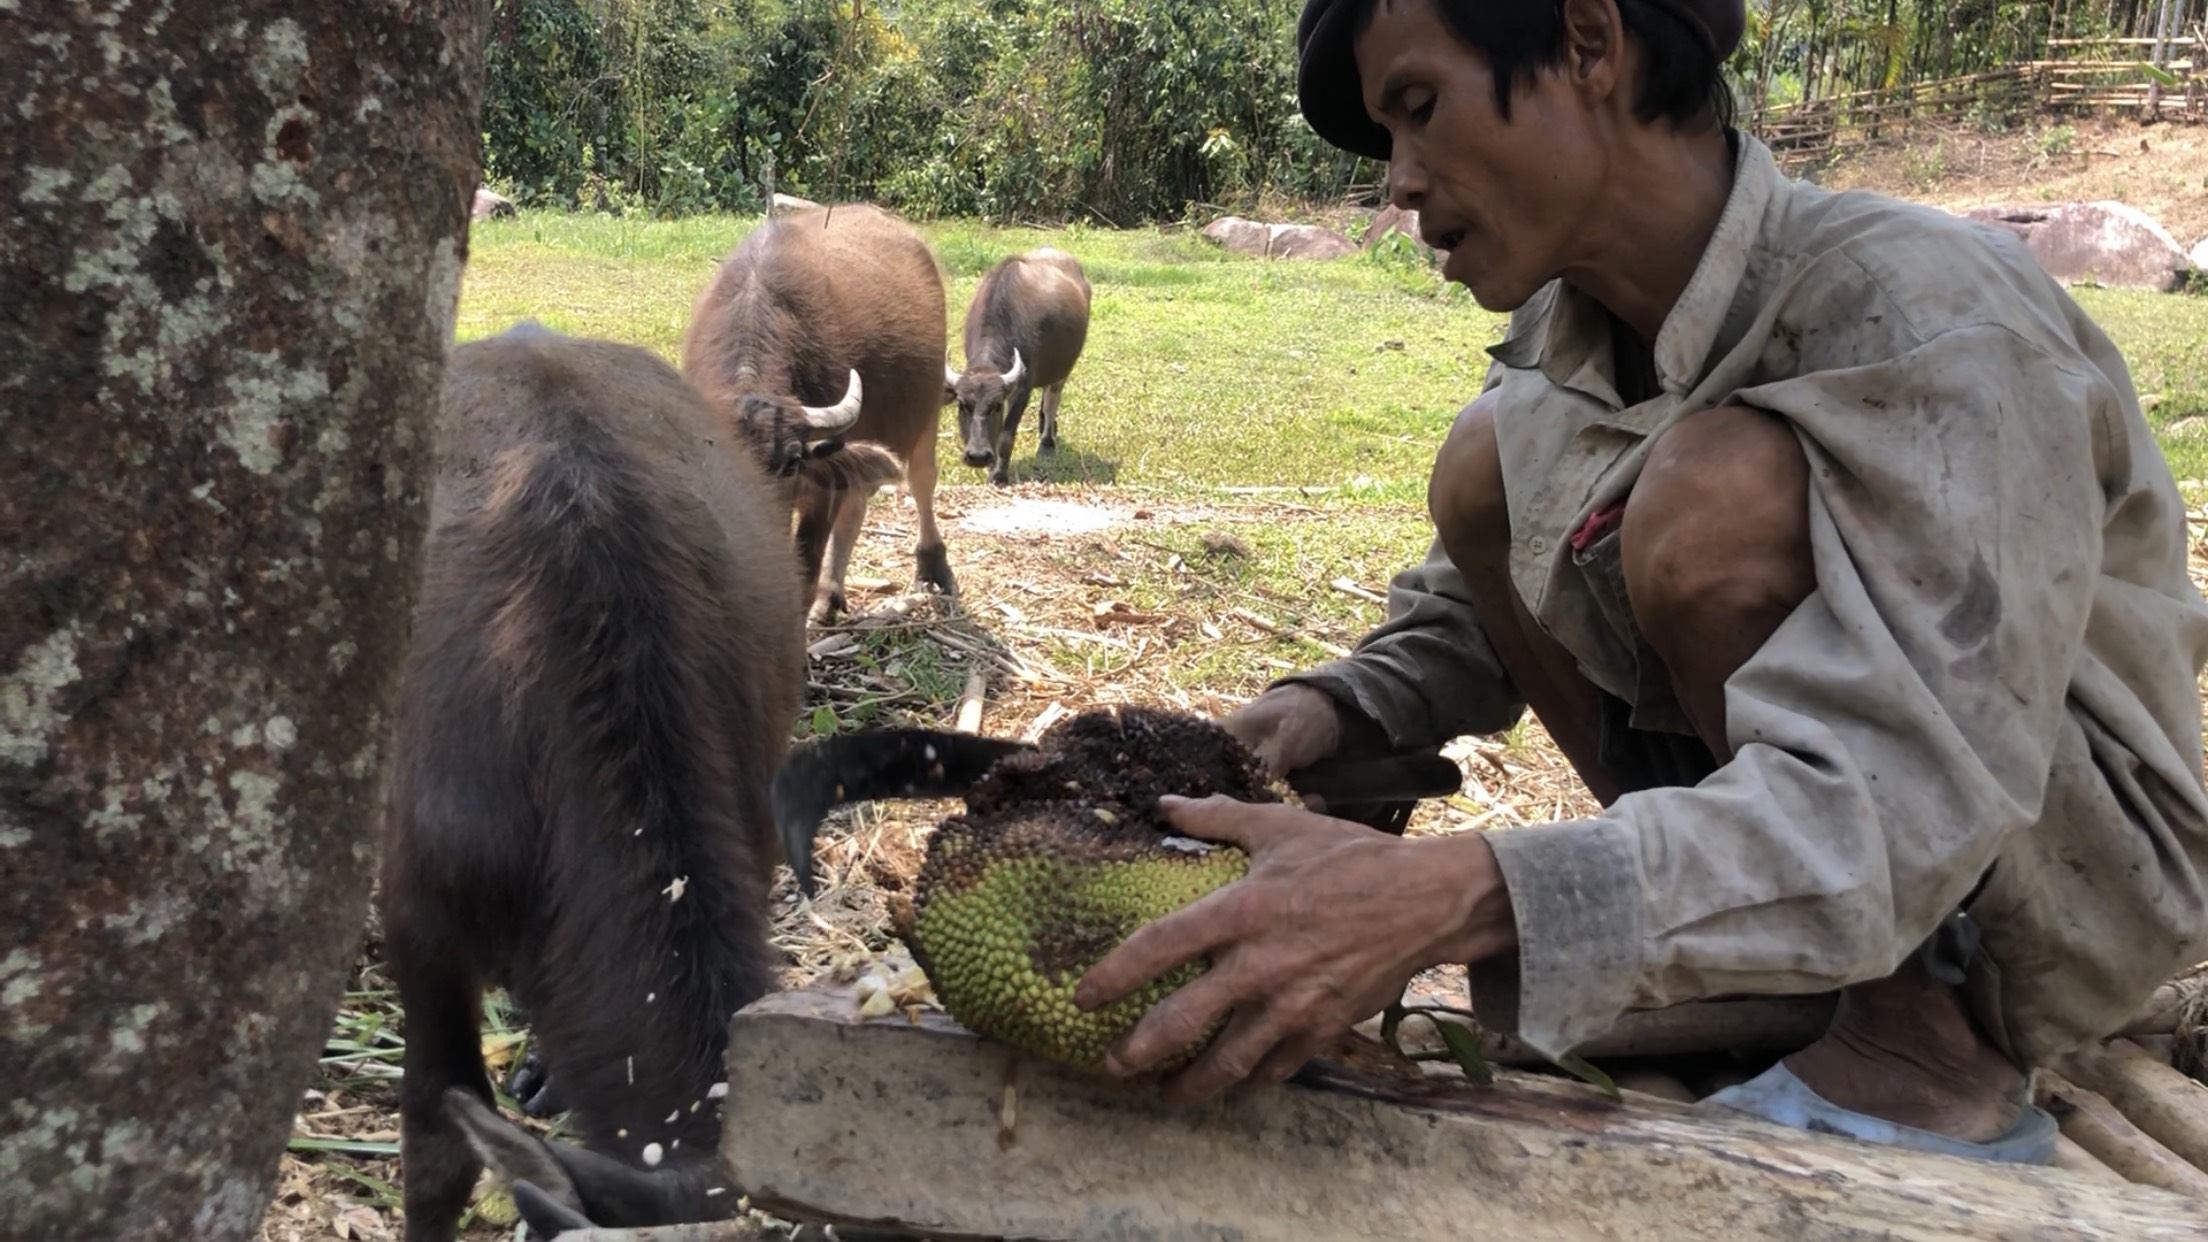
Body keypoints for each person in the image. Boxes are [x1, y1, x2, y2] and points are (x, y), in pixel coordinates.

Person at [1074, 0, 2208, 1164]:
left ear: (1588, 41)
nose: (1399, 183)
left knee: (1710, 501)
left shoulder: (1923, 313)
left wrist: (1464, 894)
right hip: (1822, 842)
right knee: (1488, 461)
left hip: (2041, 872)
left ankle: (1922, 1046)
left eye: (1419, 110)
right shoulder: (1573, 330)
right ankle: (1777, 960)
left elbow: (1918, 791)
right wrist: (1331, 711)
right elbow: (1478, 607)